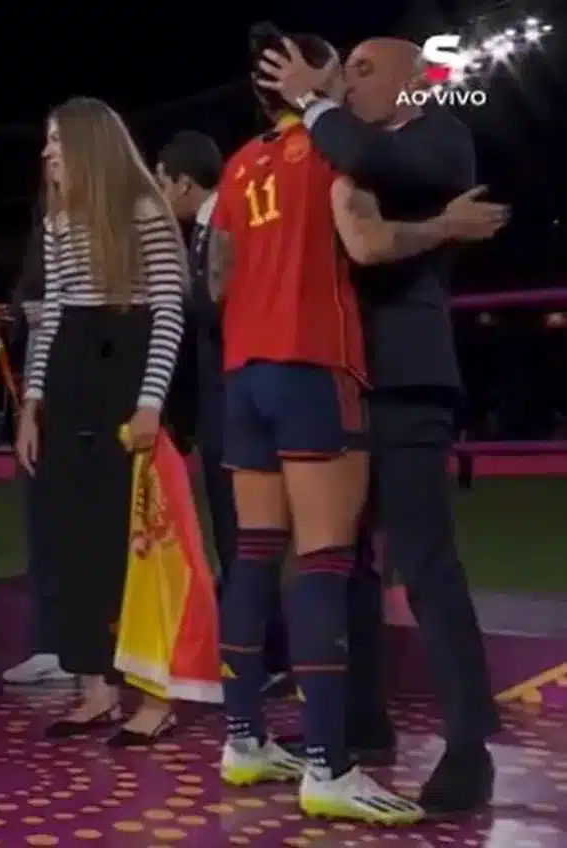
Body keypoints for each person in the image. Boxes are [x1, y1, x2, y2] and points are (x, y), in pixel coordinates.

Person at [257, 36, 505, 815]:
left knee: (425, 566)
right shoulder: (346, 152)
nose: (347, 82)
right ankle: (363, 722)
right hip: (337, 379)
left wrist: (315, 97)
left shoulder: (436, 138)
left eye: (364, 70)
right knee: (344, 564)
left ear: (412, 84)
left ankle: (470, 748)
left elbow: (377, 161)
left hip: (406, 380)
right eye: (346, 70)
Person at [211, 30, 426, 824]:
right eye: (343, 67)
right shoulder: (334, 150)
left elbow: (218, 276)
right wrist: (441, 230)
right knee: (328, 563)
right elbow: (365, 242)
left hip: (244, 372)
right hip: (314, 362)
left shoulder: (240, 164)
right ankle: (331, 768)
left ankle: (244, 739)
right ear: (313, 77)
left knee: (256, 555)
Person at [16, 97, 187, 744]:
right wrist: (34, 404)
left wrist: (149, 402)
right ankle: (95, 688)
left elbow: (167, 312)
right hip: (69, 375)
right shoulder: (61, 220)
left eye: (56, 141)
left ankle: (153, 694)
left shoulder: (144, 211)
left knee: (131, 539)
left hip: (123, 370)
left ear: (89, 145)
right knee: (72, 537)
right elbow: (52, 310)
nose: (47, 153)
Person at [156, 130, 292, 697]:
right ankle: (258, 654)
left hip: (237, 398)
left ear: (184, 182)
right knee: (236, 535)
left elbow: (216, 306)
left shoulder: (225, 222)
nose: (161, 197)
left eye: (162, 184)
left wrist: (163, 297)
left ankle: (265, 657)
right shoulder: (206, 228)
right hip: (220, 403)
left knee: (245, 536)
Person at [0, 207, 71, 685]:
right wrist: (8, 322)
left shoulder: (121, 221)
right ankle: (52, 642)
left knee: (89, 527)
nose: (49, 157)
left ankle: (86, 645)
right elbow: (29, 301)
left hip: (91, 391)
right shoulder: (48, 227)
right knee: (42, 517)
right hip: (43, 392)